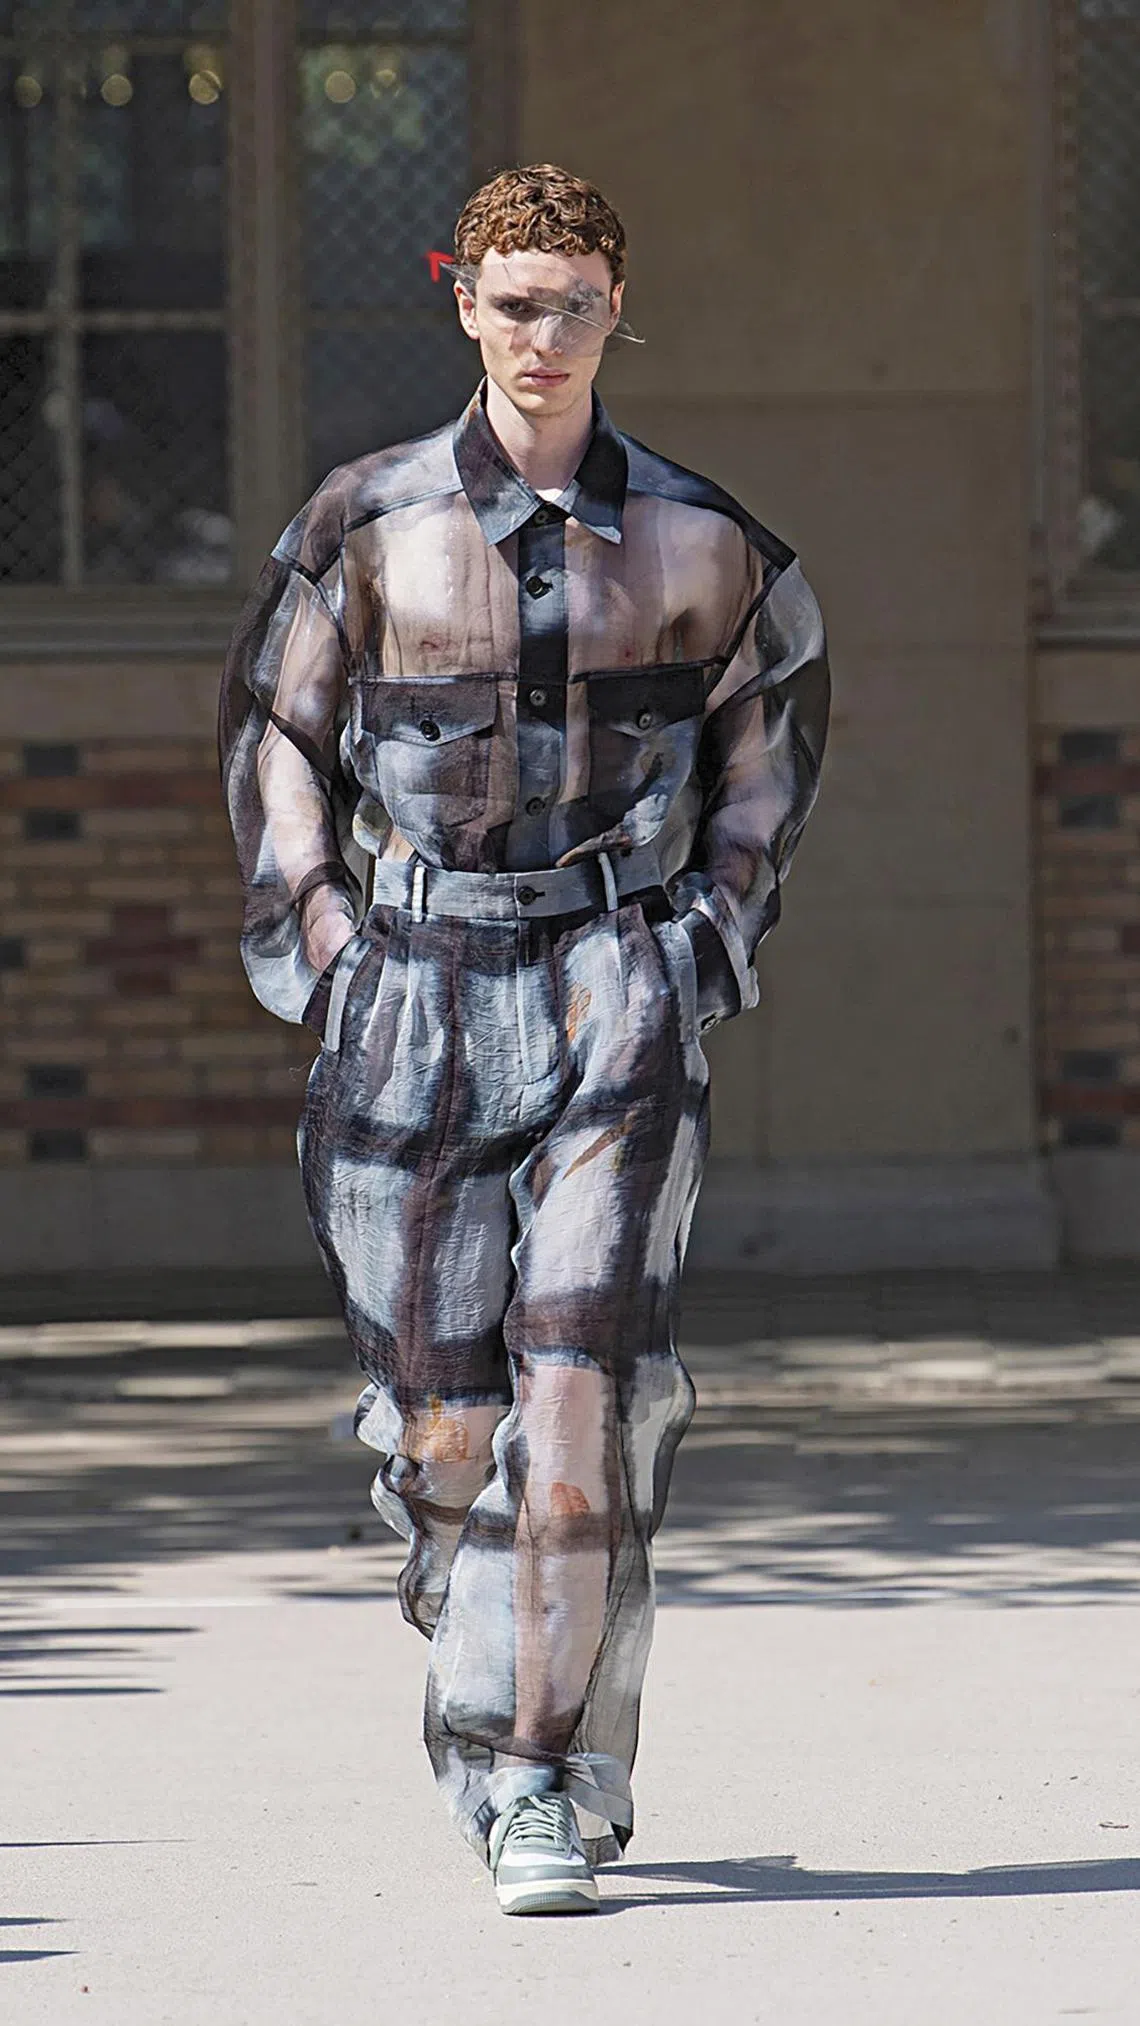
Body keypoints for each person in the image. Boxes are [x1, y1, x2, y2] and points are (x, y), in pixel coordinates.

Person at [219, 163, 829, 1916]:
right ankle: (500, 1645)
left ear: (618, 308)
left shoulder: (703, 540)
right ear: (463, 304)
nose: (541, 334)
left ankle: (539, 1776)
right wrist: (330, 950)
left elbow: (772, 743)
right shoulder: (368, 522)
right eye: (511, 301)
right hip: (413, 990)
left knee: (580, 1399)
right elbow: (275, 734)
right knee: (443, 1430)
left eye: (572, 302)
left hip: (616, 986)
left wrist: (705, 939)